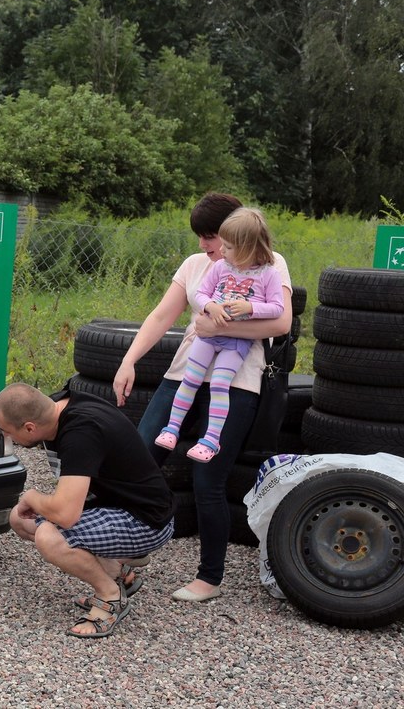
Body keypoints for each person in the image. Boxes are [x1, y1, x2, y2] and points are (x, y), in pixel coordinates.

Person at [113, 193, 293, 603]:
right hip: (185, 373)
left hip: (237, 380)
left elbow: (279, 322)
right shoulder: (197, 266)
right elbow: (162, 315)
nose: (205, 245)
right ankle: (128, 550)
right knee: (139, 458)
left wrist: (212, 330)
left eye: (211, 237)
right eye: (202, 237)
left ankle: (209, 577)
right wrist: (128, 361)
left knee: (208, 478)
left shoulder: (270, 262)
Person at [0, 383, 174, 639]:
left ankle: (110, 597)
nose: (7, 436)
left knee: (50, 535)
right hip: (119, 504)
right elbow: (29, 402)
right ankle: (120, 576)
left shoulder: (81, 435)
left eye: (7, 431)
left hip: (146, 521)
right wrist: (2, 411)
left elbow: (66, 515)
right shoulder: (60, 405)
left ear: (30, 427)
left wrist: (33, 496)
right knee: (20, 520)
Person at [154, 207, 284, 463]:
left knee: (219, 385)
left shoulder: (269, 274)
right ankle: (171, 429)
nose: (222, 251)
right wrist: (210, 306)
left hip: (237, 343)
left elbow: (277, 309)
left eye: (229, 247)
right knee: (190, 379)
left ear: (247, 247)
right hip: (206, 338)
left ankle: (210, 440)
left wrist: (251, 308)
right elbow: (202, 294)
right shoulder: (221, 267)